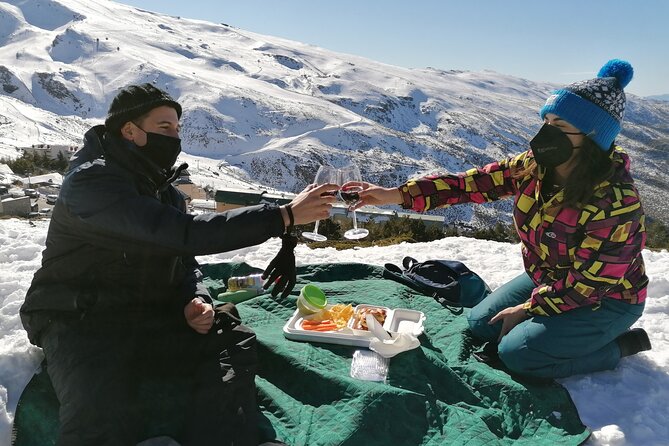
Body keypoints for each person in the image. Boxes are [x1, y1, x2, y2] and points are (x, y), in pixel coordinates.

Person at [20, 83, 337, 445]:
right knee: (99, 405)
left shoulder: (163, 189)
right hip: (79, 315)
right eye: (164, 128)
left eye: (178, 129)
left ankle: (225, 436)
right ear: (130, 131)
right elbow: (180, 233)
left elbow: (184, 260)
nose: (175, 138)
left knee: (228, 332)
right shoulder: (92, 182)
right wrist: (279, 217)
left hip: (141, 309)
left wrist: (194, 298)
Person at [349, 59, 651, 379]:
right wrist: (395, 195)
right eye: (546, 120)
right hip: (548, 276)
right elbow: (470, 184)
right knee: (481, 325)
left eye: (560, 127)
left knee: (518, 354)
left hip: (607, 298)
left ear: (592, 138)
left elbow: (591, 285)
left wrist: (527, 309)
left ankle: (618, 346)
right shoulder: (534, 165)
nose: (546, 133)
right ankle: (557, 332)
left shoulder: (615, 202)